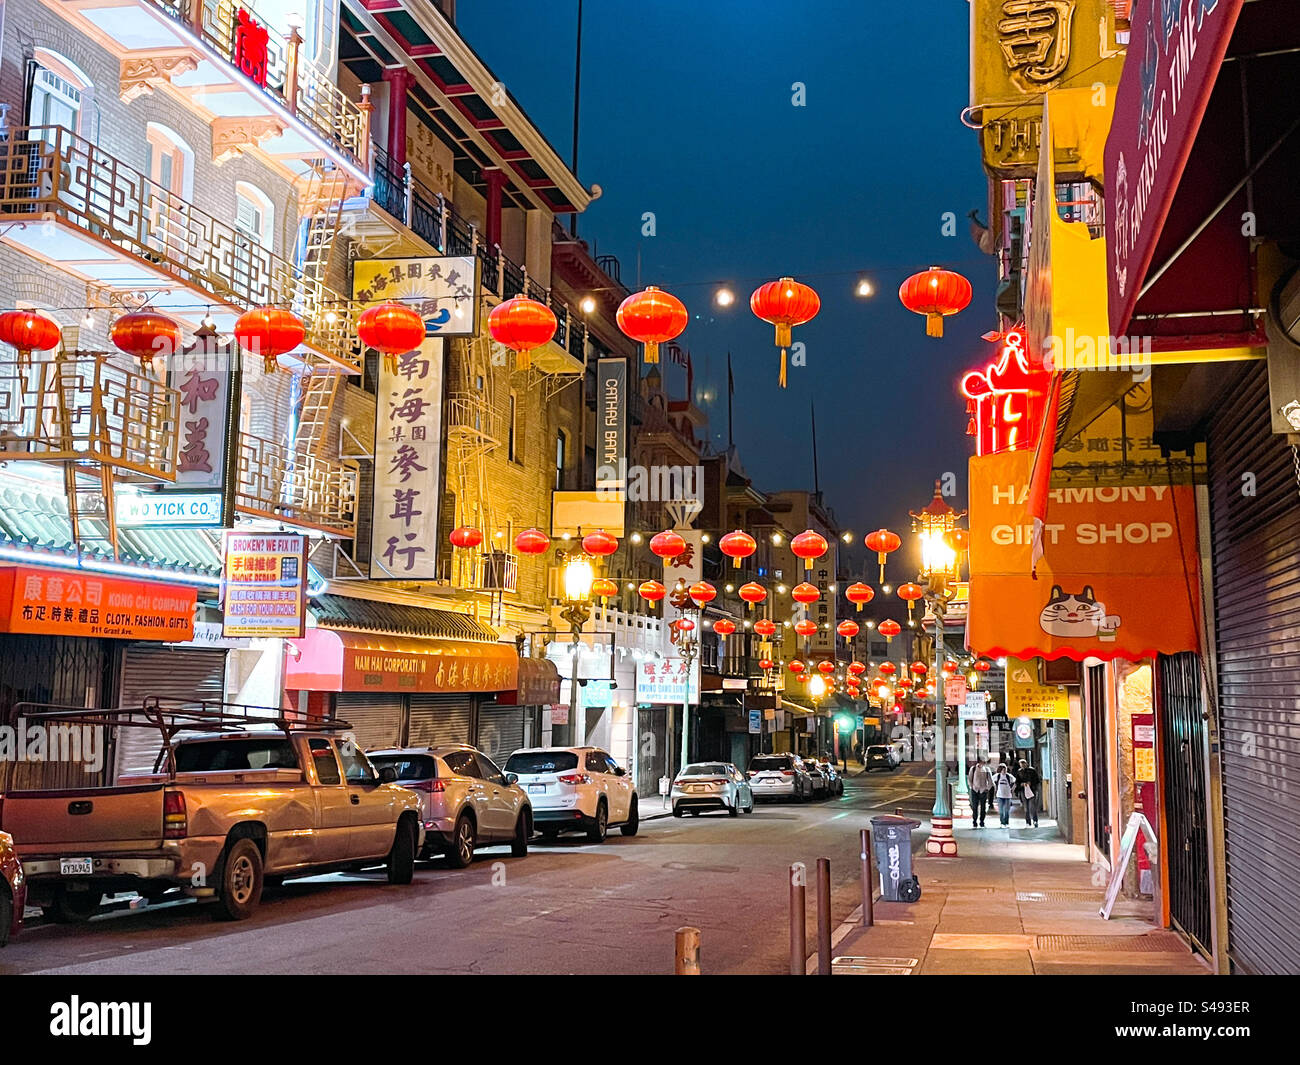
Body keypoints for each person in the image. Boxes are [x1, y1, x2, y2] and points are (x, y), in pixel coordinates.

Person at [968, 758, 993, 827]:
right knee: (974, 807)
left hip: (983, 790)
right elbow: (970, 779)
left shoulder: (987, 769)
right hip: (975, 790)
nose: (982, 763)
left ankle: (982, 821)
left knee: (983, 807)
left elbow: (990, 781)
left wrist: (987, 789)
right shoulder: (973, 769)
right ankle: (974, 821)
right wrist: (972, 787)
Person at [1017, 758, 1041, 827]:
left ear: (1026, 764)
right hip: (1023, 791)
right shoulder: (1019, 772)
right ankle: (1028, 821)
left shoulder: (1032, 771)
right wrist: (1022, 784)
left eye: (1024, 764)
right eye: (1021, 765)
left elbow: (1037, 780)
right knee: (1026, 808)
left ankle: (1035, 820)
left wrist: (1031, 784)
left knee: (1032, 807)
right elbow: (1017, 782)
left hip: (1032, 791)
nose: (1023, 766)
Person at [993, 762, 1017, 826]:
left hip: (1008, 796)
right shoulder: (997, 776)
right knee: (1001, 810)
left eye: (1005, 769)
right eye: (1003, 769)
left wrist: (1012, 789)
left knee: (1006, 810)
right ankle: (1002, 822)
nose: (1004, 771)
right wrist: (995, 787)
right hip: (1000, 795)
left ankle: (1006, 822)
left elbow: (1015, 782)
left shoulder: (1009, 776)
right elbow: (991, 780)